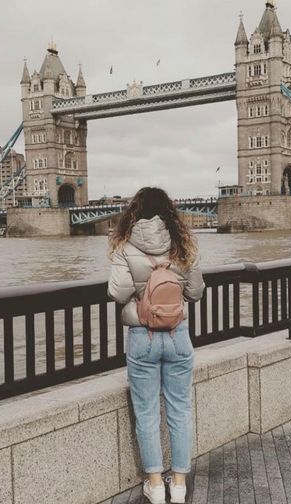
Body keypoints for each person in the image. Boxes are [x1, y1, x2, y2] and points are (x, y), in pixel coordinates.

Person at [107, 186, 205, 504]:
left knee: (147, 414)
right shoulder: (182, 245)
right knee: (180, 411)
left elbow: (119, 293)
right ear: (169, 213)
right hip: (177, 335)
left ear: (133, 214)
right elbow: (196, 292)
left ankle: (155, 485)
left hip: (142, 337)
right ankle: (178, 485)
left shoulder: (124, 246)